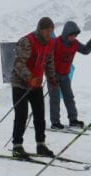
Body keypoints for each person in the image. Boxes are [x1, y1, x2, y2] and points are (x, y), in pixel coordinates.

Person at [10, 16, 58, 159]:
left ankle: (40, 144)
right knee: (21, 115)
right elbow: (18, 64)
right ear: (40, 29)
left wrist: (52, 78)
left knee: (39, 115)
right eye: (47, 31)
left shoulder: (50, 43)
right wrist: (29, 78)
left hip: (36, 84)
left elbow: (49, 62)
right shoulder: (27, 41)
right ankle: (17, 146)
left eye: (51, 31)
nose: (49, 33)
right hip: (20, 83)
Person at [48, 20, 91, 129]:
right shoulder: (56, 42)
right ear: (66, 34)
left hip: (65, 75)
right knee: (55, 99)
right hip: (53, 75)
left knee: (69, 97)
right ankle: (55, 122)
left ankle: (73, 120)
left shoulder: (75, 43)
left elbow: (84, 50)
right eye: (71, 35)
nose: (73, 37)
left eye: (75, 35)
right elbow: (46, 57)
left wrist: (89, 46)